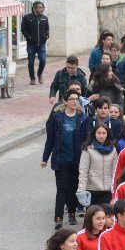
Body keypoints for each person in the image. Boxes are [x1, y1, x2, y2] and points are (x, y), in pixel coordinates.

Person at [42, 90, 87, 229]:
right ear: (65, 101)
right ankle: (58, 217)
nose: (75, 101)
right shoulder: (57, 118)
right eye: (72, 99)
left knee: (73, 187)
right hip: (61, 160)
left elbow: (86, 140)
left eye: (77, 99)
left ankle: (72, 214)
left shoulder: (82, 118)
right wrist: (45, 158)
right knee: (61, 188)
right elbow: (50, 140)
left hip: (77, 160)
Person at [78, 123, 118, 206]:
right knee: (92, 216)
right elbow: (83, 170)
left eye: (104, 133)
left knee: (106, 216)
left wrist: (115, 190)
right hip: (92, 188)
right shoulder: (88, 149)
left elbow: (115, 172)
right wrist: (81, 191)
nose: (101, 136)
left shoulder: (113, 150)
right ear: (94, 134)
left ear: (107, 134)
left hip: (107, 189)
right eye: (99, 133)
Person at [22, 1, 50, 85]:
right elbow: (23, 29)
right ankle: (32, 78)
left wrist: (46, 36)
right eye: (39, 7)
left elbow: (47, 29)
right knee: (31, 62)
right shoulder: (27, 17)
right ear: (34, 8)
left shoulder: (44, 18)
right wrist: (29, 37)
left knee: (43, 60)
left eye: (42, 8)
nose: (41, 9)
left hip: (41, 44)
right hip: (31, 44)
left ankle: (39, 74)